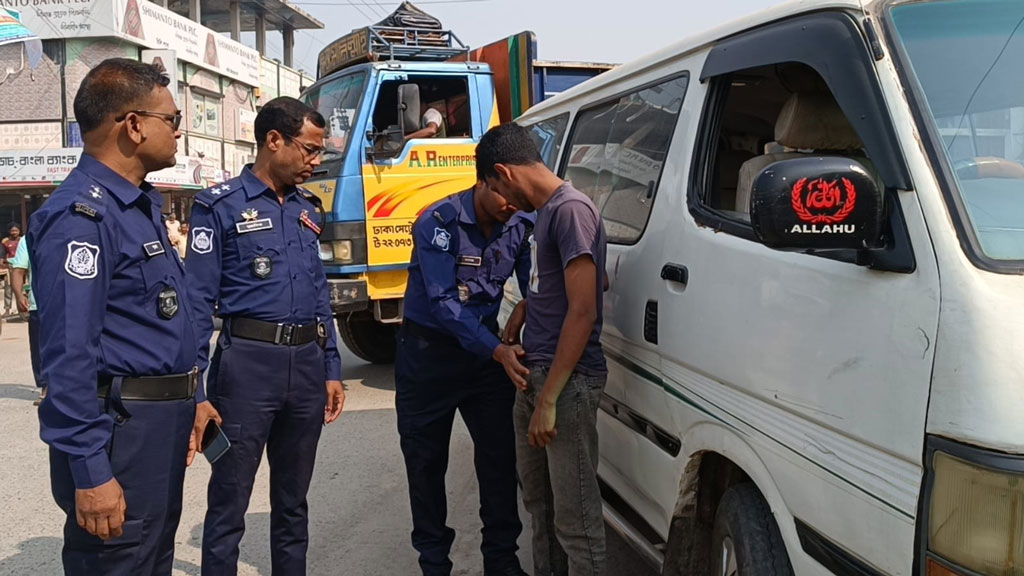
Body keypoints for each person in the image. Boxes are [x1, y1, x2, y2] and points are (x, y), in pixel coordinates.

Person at [28, 57, 212, 575]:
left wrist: (194, 398)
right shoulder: (80, 218)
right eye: (172, 120)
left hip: (159, 428)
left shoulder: (139, 205)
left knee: (150, 557)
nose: (180, 132)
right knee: (117, 561)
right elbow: (67, 357)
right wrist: (89, 470)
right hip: (120, 435)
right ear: (133, 125)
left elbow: (162, 324)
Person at [186, 96, 345, 576]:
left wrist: (332, 367)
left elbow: (319, 293)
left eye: (320, 153)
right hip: (247, 369)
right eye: (309, 150)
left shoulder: (308, 209)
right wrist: (196, 390)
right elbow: (195, 304)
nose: (315, 161)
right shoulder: (219, 207)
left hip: (305, 368)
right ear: (273, 140)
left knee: (293, 502)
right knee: (229, 500)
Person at [478, 123, 609, 576]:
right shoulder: (548, 212)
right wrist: (530, 306)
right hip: (538, 377)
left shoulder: (570, 209)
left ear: (504, 172)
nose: (503, 203)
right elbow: (588, 281)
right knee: (541, 507)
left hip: (565, 384)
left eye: (496, 188)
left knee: (577, 524)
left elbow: (585, 309)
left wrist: (549, 398)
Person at [396, 180, 533, 576]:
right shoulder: (438, 222)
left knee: (499, 459)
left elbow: (534, 283)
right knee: (425, 464)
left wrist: (529, 303)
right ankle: (434, 563)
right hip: (428, 357)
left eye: (519, 198)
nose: (513, 204)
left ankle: (502, 559)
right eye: (507, 195)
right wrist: (496, 349)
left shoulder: (520, 222)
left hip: (486, 356)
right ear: (486, 180)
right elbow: (443, 302)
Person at [9, 235, 45, 404]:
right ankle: (47, 386)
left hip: (66, 302)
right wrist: (19, 294)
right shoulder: (28, 239)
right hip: (39, 302)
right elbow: (18, 269)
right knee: (39, 347)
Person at [2, 224, 20, 316]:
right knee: (8, 290)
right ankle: (7, 310)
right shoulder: (5, 242)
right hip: (9, 269)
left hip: (22, 268)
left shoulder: (22, 241)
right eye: (13, 231)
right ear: (9, 231)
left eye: (16, 230)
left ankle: (22, 309)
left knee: (21, 289)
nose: (14, 232)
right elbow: (2, 256)